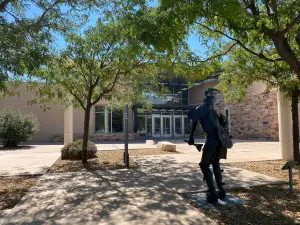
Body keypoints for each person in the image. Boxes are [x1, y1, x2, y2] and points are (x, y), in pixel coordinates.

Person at [187, 87, 226, 204]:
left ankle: (213, 194)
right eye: (212, 94)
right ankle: (221, 190)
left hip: (212, 140)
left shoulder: (201, 109)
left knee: (204, 165)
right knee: (215, 164)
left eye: (213, 94)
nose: (213, 97)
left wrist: (191, 137)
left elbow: (194, 122)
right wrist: (191, 137)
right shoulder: (213, 111)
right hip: (220, 140)